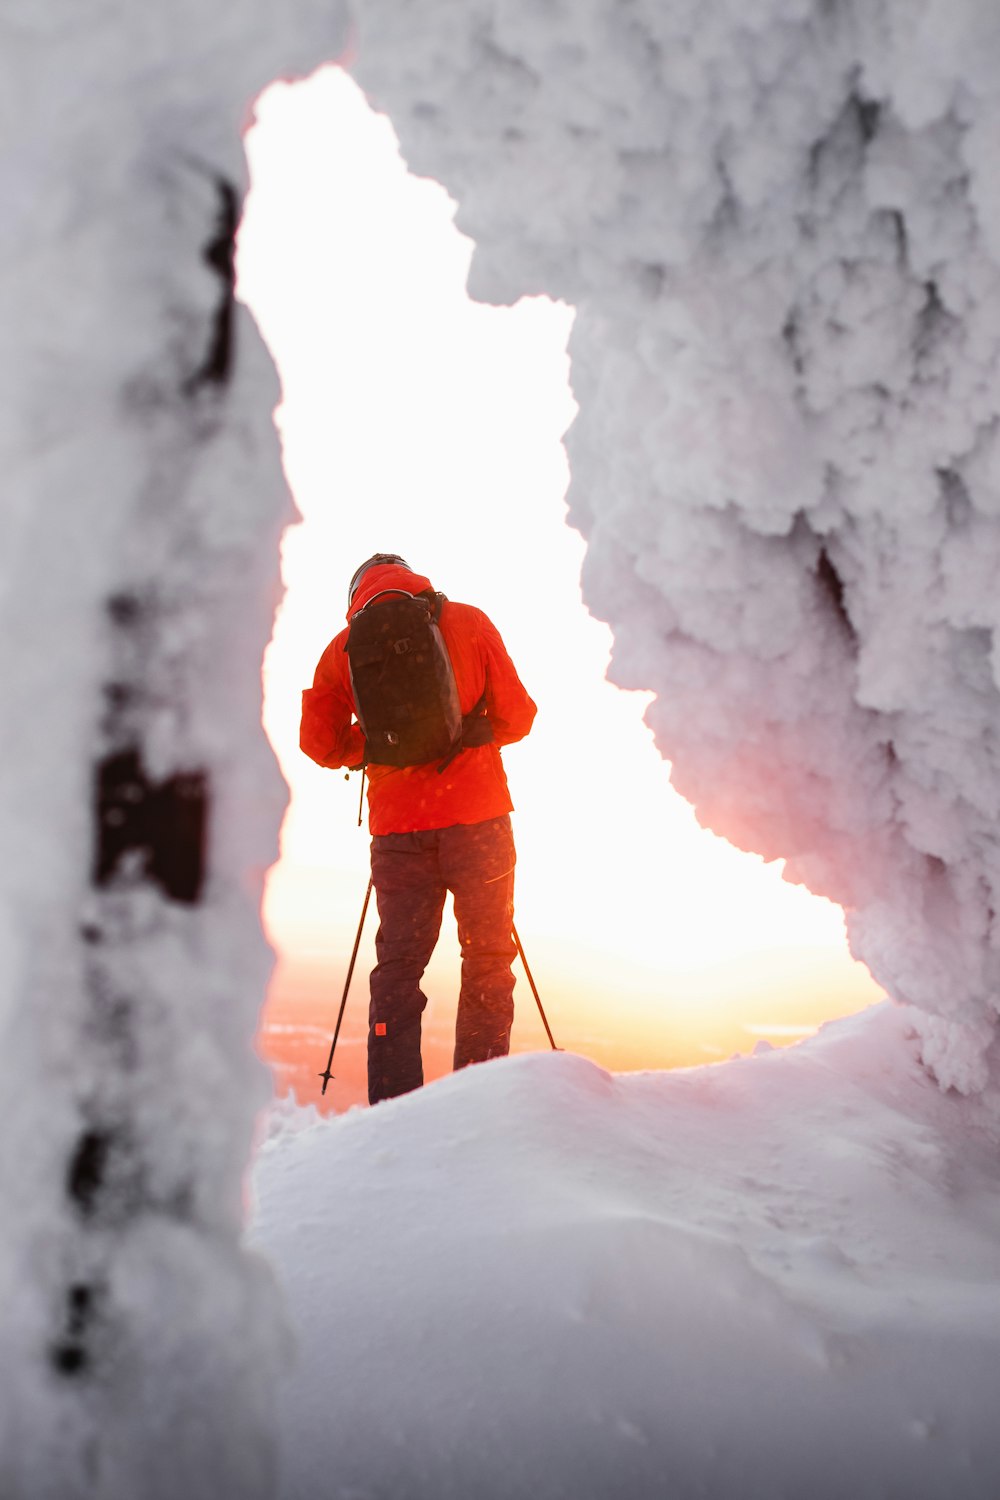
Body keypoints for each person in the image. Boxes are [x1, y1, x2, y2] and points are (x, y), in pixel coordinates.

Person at [300, 554, 537, 1104]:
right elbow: (519, 715)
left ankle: (395, 1107)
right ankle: (476, 1098)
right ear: (416, 582)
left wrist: (380, 747)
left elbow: (319, 742)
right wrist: (465, 734)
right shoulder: (469, 621)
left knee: (399, 971)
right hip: (478, 820)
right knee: (486, 958)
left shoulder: (343, 648)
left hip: (399, 833)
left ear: (357, 596)